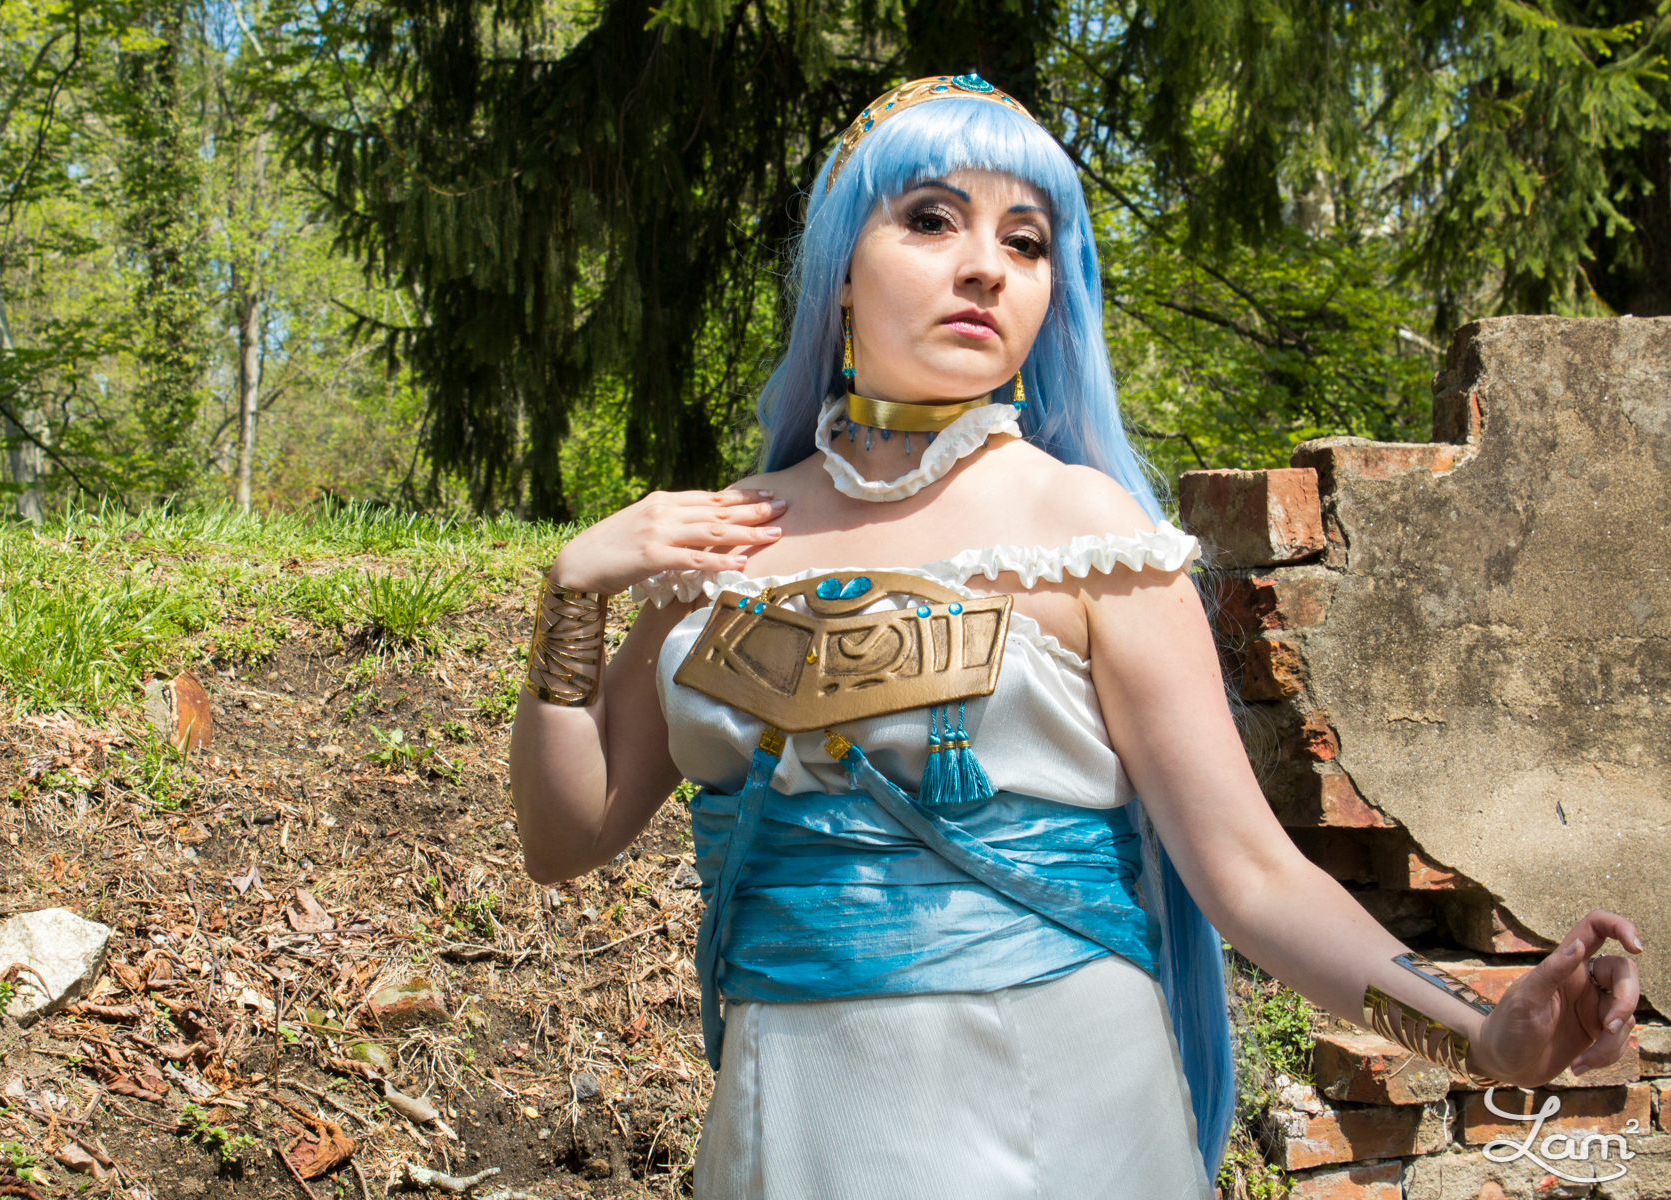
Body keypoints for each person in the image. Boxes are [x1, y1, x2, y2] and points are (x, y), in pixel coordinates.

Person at [508, 74, 1644, 1199]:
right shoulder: (721, 540)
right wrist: (573, 596)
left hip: (1059, 1109)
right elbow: (564, 840)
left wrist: (1481, 1033)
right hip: (786, 1117)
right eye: (931, 219)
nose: (986, 267)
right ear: (841, 267)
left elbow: (1250, 874)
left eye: (1027, 240)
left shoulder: (1089, 532)